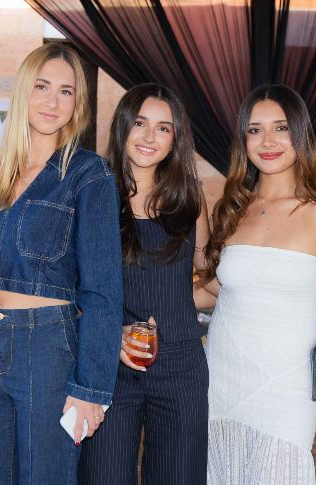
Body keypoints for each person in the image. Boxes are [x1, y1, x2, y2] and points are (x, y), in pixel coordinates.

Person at [0, 42, 123, 484]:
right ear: (24, 91)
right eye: (42, 86)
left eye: (66, 91)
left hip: (49, 348)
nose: (52, 100)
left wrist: (90, 389)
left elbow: (103, 290)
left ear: (77, 103)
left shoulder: (89, 174)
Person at [194, 84, 316, 484]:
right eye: (254, 130)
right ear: (243, 140)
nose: (267, 141)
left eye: (280, 128)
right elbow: (220, 289)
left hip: (286, 387)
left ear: (300, 134)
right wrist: (148, 301)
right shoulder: (235, 209)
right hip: (220, 380)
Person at [78, 83, 210, 485]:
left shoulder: (190, 199)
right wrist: (104, 332)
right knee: (104, 476)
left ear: (175, 139)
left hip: (182, 366)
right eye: (140, 123)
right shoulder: (92, 195)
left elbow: (210, 273)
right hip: (112, 368)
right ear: (122, 127)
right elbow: (71, 287)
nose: (150, 137)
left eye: (164, 128)